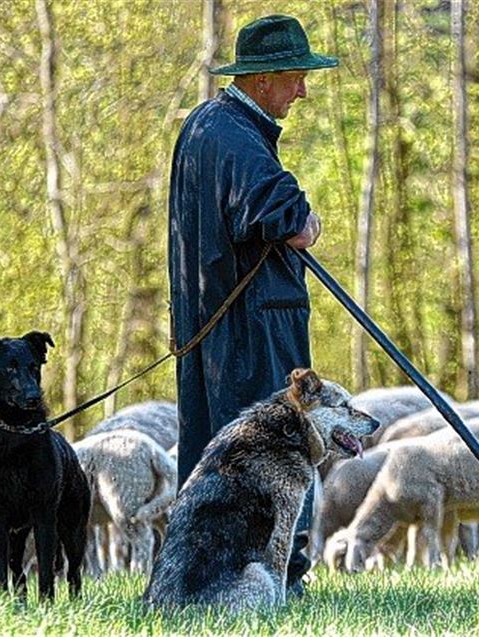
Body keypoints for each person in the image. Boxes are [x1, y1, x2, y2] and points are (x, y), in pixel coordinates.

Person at [166, 14, 337, 595]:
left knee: (217, 458)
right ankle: (278, 576)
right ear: (262, 80)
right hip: (251, 332)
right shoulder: (235, 135)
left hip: (218, 329)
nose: (303, 91)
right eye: (296, 77)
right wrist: (308, 222)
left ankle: (203, 579)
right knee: (271, 451)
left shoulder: (206, 126)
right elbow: (277, 212)